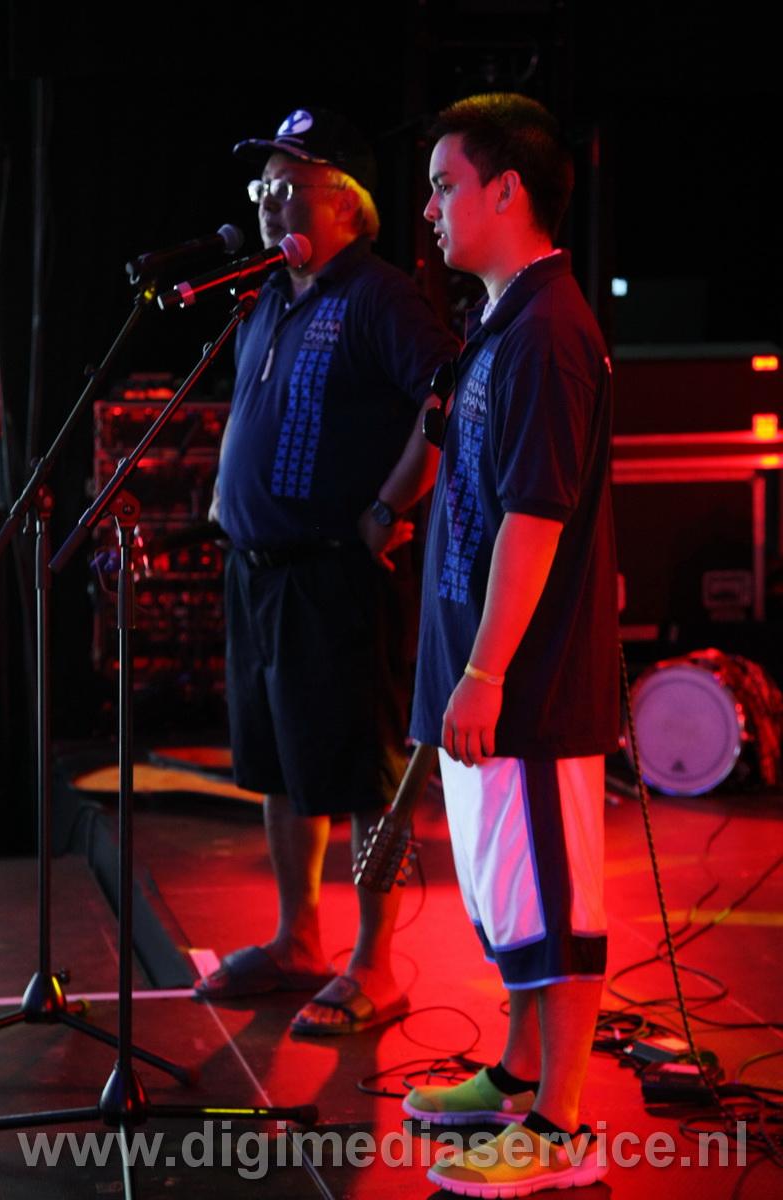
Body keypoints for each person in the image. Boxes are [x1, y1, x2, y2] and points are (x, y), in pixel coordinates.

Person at [193, 107, 459, 1035]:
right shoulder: (271, 294)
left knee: (360, 771)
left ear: (348, 203)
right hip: (259, 572)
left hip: (335, 575)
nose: (270, 205)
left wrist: (390, 503)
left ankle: (374, 961)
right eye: (263, 188)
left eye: (290, 187)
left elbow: (448, 391)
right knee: (279, 763)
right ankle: (297, 938)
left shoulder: (380, 296)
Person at [403, 93, 620, 1194]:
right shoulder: (502, 321)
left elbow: (535, 518)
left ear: (507, 189)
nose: (431, 208)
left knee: (553, 905)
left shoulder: (548, 331)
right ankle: (517, 1072)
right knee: (507, 898)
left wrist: (486, 670)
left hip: (527, 685)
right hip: (481, 672)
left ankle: (561, 1128)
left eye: (445, 185)